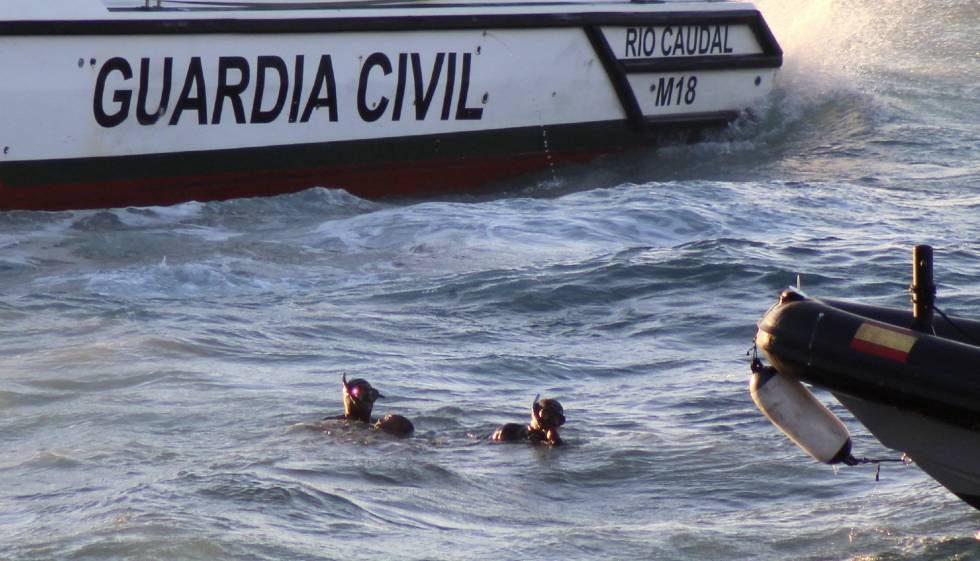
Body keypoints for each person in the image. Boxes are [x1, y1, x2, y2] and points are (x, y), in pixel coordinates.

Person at [328, 374, 414, 438]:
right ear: (347, 395)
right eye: (361, 393)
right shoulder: (330, 423)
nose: (369, 398)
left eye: (372, 394)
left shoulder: (386, 424)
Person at [491, 394, 566, 446]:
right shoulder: (509, 430)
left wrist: (555, 442)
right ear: (534, 414)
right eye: (545, 416)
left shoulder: (551, 439)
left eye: (555, 420)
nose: (549, 423)